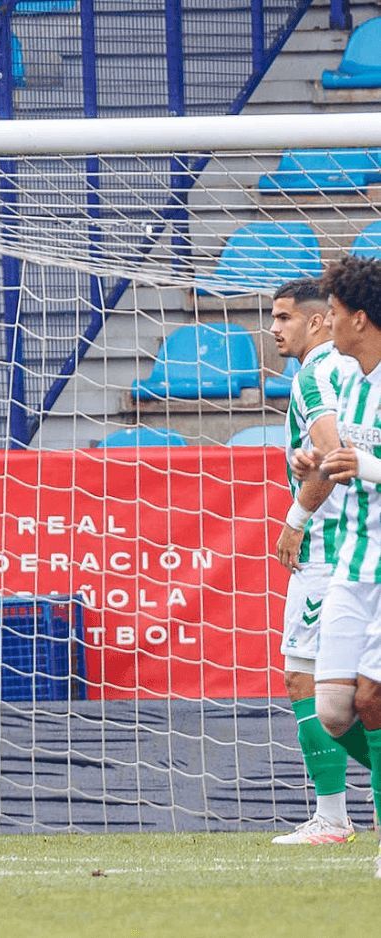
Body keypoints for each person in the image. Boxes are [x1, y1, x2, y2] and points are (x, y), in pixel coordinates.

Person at [269, 277, 370, 845]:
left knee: (307, 679)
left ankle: (332, 818)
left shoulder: (315, 373)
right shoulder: (358, 370)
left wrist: (295, 518)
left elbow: (335, 458)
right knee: (360, 690)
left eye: (284, 318)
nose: (274, 329)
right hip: (360, 543)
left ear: (317, 320)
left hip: (331, 549)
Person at [299, 253, 381, 878]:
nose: (325, 325)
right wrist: (312, 464)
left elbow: (365, 462)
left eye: (331, 314)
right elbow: (338, 455)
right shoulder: (349, 381)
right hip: (352, 565)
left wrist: (367, 466)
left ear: (359, 318)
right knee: (333, 710)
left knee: (373, 699)